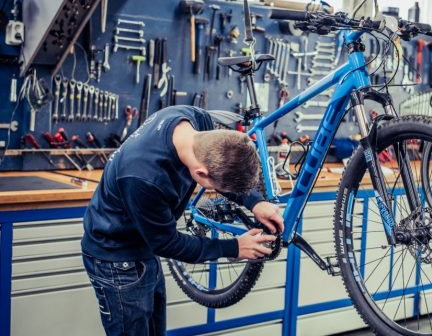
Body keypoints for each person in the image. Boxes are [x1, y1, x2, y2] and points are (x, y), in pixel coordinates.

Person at [81, 105, 284, 336]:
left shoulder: (193, 120)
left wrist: (255, 202)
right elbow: (166, 243)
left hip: (144, 247)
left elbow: (223, 165)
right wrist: (234, 247)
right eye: (215, 187)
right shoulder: (144, 178)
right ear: (200, 174)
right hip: (116, 258)